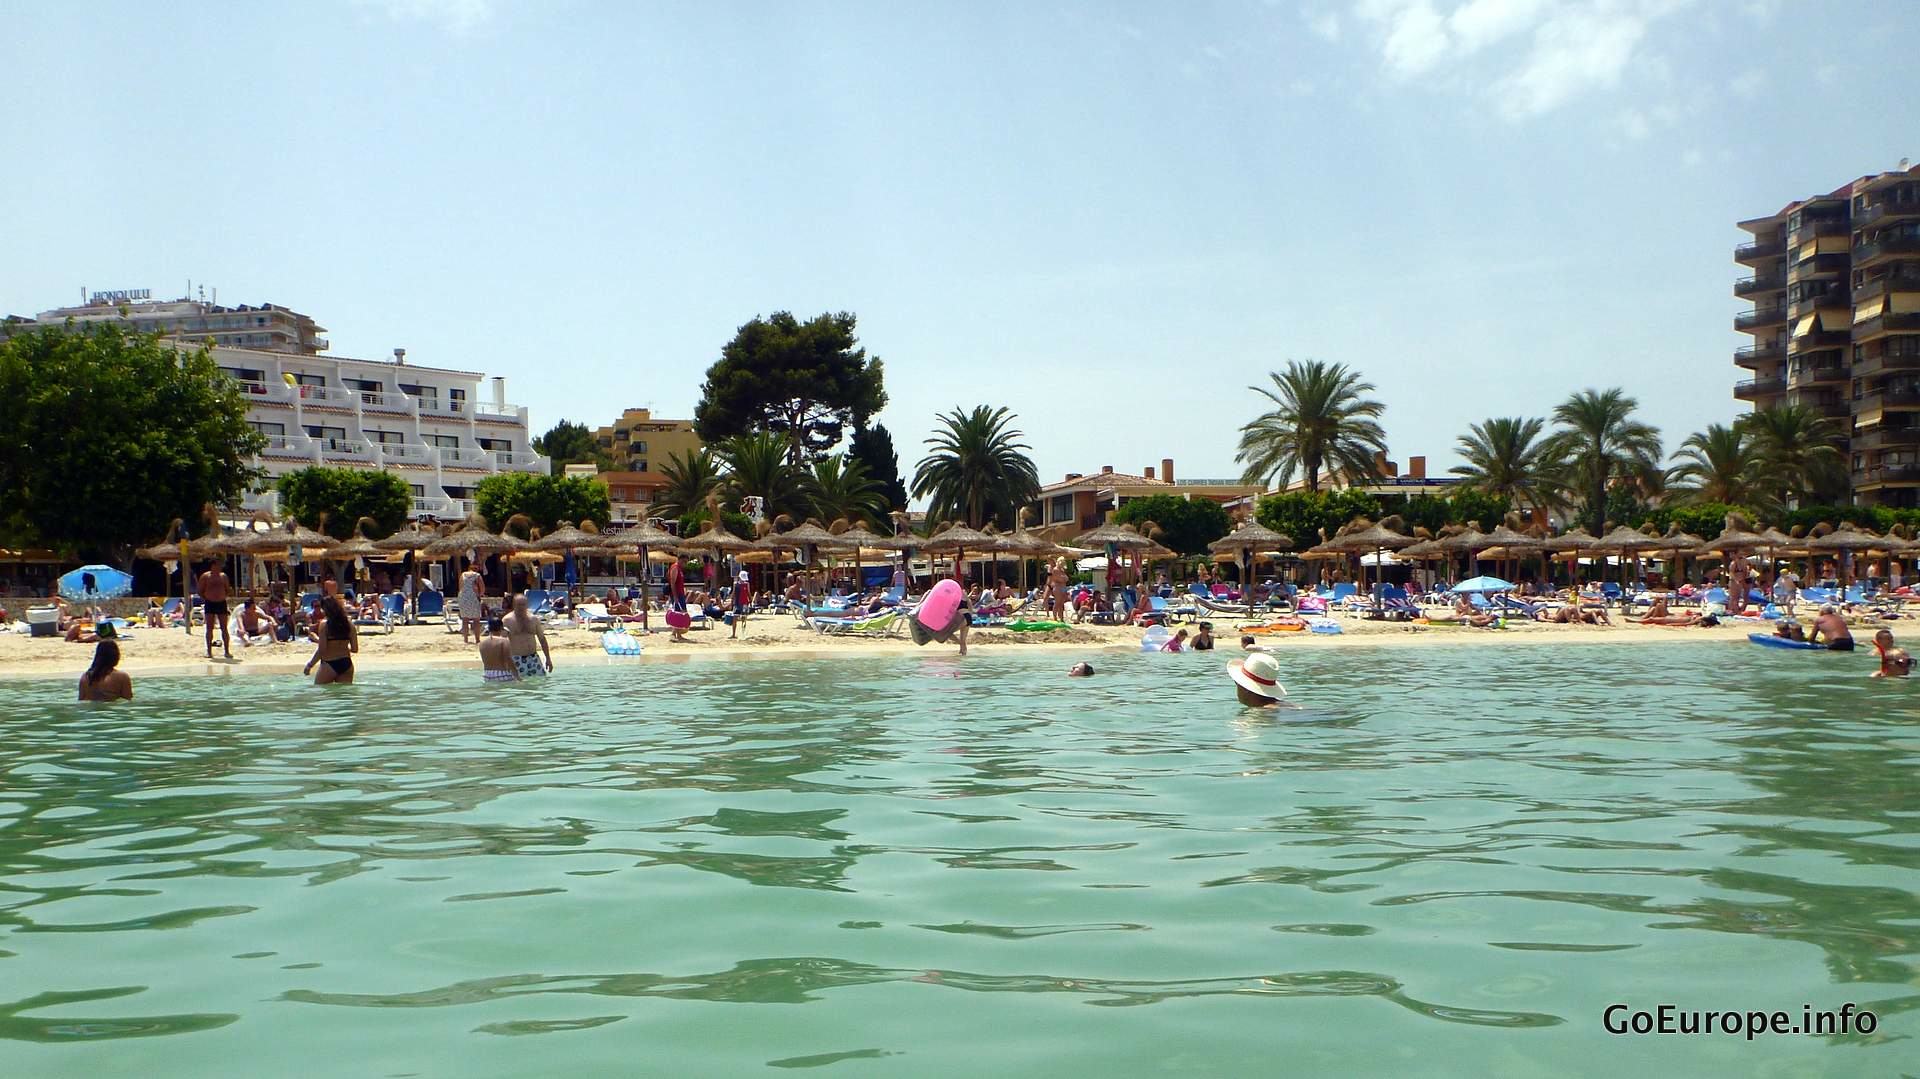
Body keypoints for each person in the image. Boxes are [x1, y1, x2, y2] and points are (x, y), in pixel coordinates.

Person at [303, 594, 359, 685]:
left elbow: (322, 650)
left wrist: (310, 665)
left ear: (325, 609)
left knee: (321, 693)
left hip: (330, 664)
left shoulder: (324, 625)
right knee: (345, 696)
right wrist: (341, 647)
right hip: (346, 664)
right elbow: (355, 649)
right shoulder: (349, 624)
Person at [503, 593, 552, 677]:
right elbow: (502, 643)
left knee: (540, 683)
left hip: (533, 658)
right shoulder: (507, 620)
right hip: (517, 659)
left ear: (527, 605)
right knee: (519, 686)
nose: (521, 607)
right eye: (519, 605)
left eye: (523, 604)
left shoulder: (534, 619)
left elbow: (542, 639)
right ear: (514, 605)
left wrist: (548, 659)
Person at [197, 560, 233, 659]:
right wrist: (208, 598)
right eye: (218, 565)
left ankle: (227, 651)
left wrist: (222, 596)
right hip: (210, 603)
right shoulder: (206, 576)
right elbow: (200, 590)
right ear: (213, 565)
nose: (220, 567)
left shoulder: (223, 576)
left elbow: (228, 589)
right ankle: (209, 652)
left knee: (224, 628)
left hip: (221, 603)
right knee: (209, 628)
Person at [479, 616, 520, 682]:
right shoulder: (504, 641)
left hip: (487, 675)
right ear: (501, 628)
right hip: (502, 674)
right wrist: (517, 676)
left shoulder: (482, 643)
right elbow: (508, 659)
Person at [457, 562, 486, 644]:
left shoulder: (463, 575)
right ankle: (477, 639)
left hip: (463, 597)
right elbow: (482, 588)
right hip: (473, 597)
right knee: (476, 620)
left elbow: (460, 587)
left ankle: (465, 639)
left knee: (465, 619)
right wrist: (479, 595)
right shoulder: (477, 575)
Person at [731, 568, 752, 639]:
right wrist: (731, 601)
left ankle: (742, 633)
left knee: (743, 619)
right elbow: (733, 593)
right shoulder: (736, 584)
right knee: (735, 618)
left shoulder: (746, 584)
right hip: (738, 603)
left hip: (744, 603)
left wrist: (750, 600)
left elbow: (748, 593)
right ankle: (734, 634)